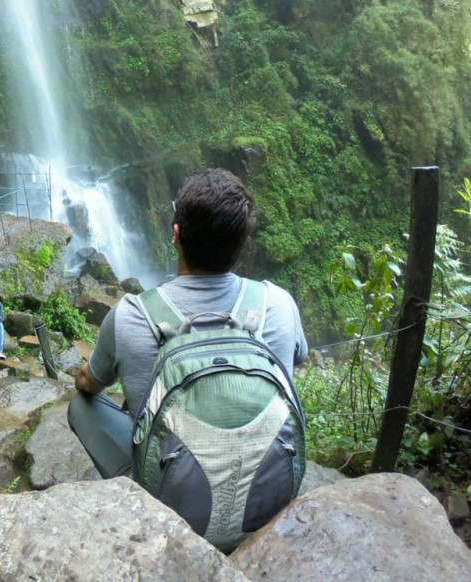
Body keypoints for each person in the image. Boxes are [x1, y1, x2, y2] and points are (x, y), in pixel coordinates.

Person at [67, 168, 309, 479]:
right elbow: (297, 359)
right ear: (243, 242)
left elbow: (91, 382)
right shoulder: (278, 303)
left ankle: (140, 492)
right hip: (268, 488)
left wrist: (86, 378)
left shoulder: (130, 314)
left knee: (81, 405)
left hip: (172, 499)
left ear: (176, 234)